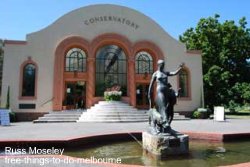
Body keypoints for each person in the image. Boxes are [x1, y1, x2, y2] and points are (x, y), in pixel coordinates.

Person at [148, 59, 184, 132]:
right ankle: (165, 122)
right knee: (163, 106)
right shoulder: (155, 74)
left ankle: (166, 122)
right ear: (158, 65)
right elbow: (151, 85)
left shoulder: (165, 73)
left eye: (163, 64)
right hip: (160, 91)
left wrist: (180, 68)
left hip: (167, 91)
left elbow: (174, 73)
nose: (163, 66)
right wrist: (149, 93)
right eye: (162, 64)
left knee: (168, 107)